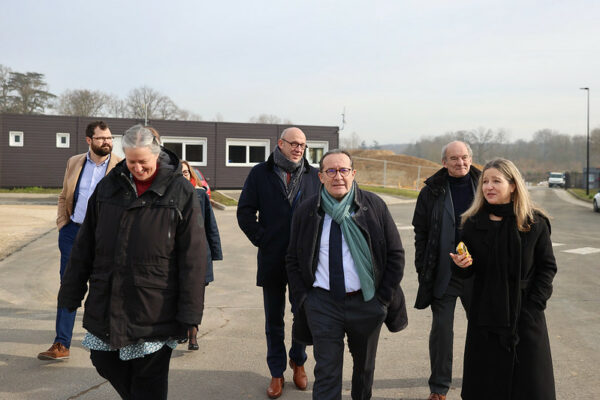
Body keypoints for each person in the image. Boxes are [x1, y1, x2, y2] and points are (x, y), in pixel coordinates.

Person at [57, 125, 207, 400]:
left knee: (150, 376)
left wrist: (190, 314)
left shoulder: (180, 191)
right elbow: (85, 245)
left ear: (157, 155)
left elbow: (194, 258)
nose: (137, 168)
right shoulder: (108, 187)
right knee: (103, 360)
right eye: (131, 161)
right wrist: (70, 291)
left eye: (143, 162)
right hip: (108, 296)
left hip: (155, 303)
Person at [286, 150, 407, 400]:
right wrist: (304, 299)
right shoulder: (307, 210)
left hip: (367, 302)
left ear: (353, 174)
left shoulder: (374, 206)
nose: (337, 176)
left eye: (343, 170)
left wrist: (382, 299)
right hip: (322, 304)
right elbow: (292, 259)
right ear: (320, 177)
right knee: (327, 372)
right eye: (330, 171)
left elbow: (395, 255)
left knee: (364, 370)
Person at [450, 158, 556, 399]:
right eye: (485, 182)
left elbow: (547, 268)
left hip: (526, 317)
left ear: (513, 185)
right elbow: (467, 272)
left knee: (529, 387)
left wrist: (534, 306)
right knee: (486, 386)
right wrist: (461, 265)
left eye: (496, 181)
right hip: (485, 319)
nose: (488, 186)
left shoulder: (534, 223)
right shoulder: (472, 223)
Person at [237, 127, 320, 399]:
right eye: (294, 143)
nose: (299, 149)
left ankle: (298, 360)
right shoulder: (261, 173)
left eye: (303, 145)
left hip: (304, 260)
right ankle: (276, 372)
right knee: (274, 319)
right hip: (272, 258)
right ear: (280, 144)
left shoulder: (312, 175)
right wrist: (264, 238)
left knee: (302, 314)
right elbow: (245, 211)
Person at [38, 120, 121, 361]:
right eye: (101, 138)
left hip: (105, 237)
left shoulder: (120, 166)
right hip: (73, 232)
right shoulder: (74, 162)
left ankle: (107, 338)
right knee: (68, 286)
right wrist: (63, 223)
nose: (107, 142)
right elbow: (64, 195)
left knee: (105, 286)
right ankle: (61, 343)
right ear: (89, 140)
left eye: (109, 138)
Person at [411, 140, 480, 400]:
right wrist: (422, 268)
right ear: (444, 162)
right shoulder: (431, 191)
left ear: (470, 159)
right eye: (454, 158)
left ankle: (481, 380)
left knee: (482, 328)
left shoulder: (485, 185)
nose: (460, 162)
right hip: (444, 273)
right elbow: (421, 232)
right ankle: (439, 387)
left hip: (478, 274)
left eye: (464, 157)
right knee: (442, 330)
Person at [181, 160, 223, 350]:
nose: (183, 175)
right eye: (179, 173)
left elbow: (210, 225)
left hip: (199, 255)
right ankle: (183, 331)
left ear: (191, 175)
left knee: (197, 297)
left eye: (186, 172)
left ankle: (193, 336)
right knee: (181, 296)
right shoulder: (171, 196)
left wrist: (215, 252)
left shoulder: (200, 195)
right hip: (178, 256)